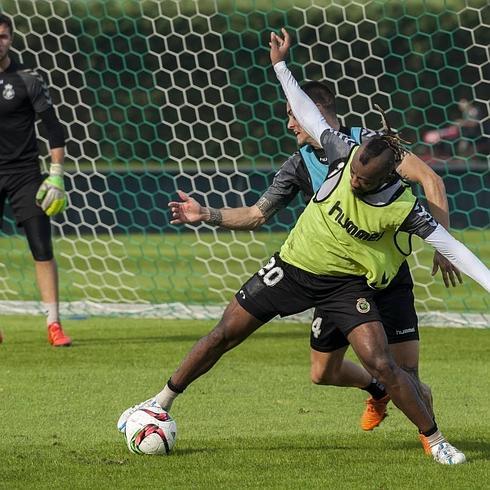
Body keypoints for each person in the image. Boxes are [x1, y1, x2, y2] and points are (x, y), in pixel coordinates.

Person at [118, 30, 490, 465]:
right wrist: (280, 65)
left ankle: (436, 440)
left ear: (387, 179)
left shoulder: (404, 208)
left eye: (363, 182)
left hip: (348, 284)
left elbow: (460, 251)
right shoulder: (340, 150)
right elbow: (301, 123)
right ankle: (159, 401)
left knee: (384, 363)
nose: (353, 180)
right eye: (352, 173)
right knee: (226, 333)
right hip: (292, 267)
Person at [167, 88, 460, 430]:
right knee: (324, 372)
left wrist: (443, 244)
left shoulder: (367, 146)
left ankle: (435, 441)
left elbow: (430, 178)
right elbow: (255, 215)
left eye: (293, 115)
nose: (290, 124)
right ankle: (378, 388)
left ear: (314, 112)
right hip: (336, 277)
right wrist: (206, 213)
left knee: (407, 373)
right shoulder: (297, 166)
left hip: (385, 275)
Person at [0, 14, 71, 346]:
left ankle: (54, 324)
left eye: (2, 36)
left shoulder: (27, 80)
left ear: (11, 39)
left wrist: (56, 175)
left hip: (26, 174)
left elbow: (53, 127)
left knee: (41, 247)